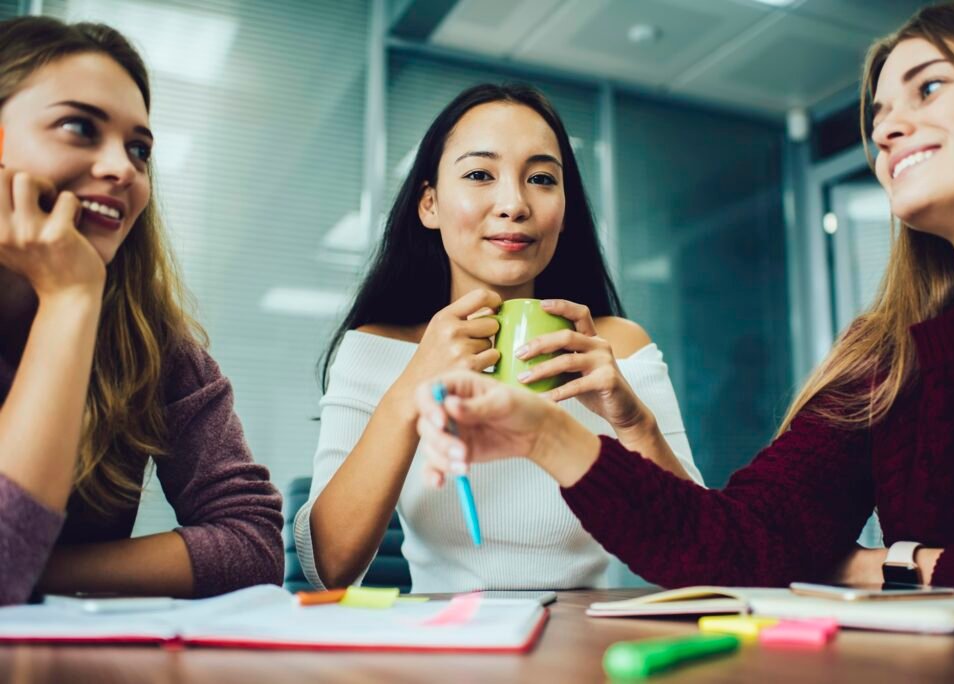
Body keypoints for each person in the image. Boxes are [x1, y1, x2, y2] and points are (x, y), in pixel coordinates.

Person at [413, 0, 954, 600]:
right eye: (880, 113)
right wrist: (545, 435)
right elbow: (744, 548)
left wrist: (891, 567)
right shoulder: (885, 359)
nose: (885, 131)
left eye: (931, 88)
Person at [296, 83, 703, 592]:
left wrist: (633, 422)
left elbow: (705, 553)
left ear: (565, 208)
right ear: (430, 205)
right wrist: (410, 387)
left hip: (583, 646)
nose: (513, 204)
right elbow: (327, 568)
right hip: (447, 650)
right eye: (479, 175)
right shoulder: (375, 347)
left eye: (540, 179)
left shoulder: (615, 347)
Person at [0, 17, 283, 606]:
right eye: (79, 127)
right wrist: (70, 297)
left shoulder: (154, 345)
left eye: (139, 149)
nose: (123, 168)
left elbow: (252, 545)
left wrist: (40, 571)